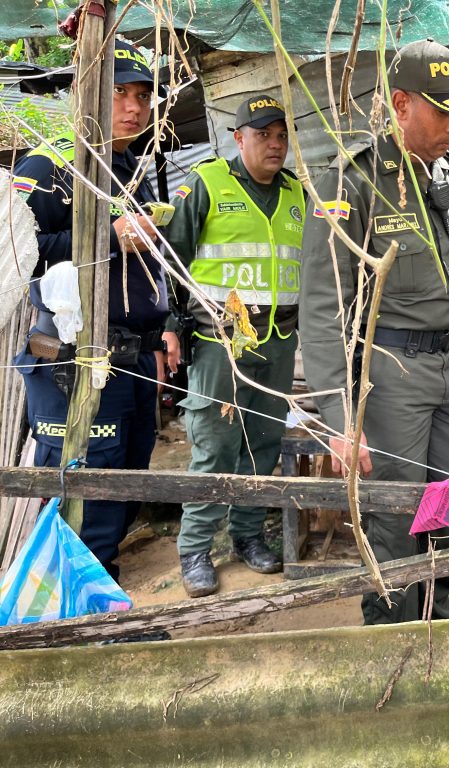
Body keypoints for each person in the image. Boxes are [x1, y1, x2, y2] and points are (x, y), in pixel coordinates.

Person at [299, 39, 449, 625]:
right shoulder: (353, 183)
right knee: (392, 514)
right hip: (392, 380)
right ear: (400, 103)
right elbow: (323, 307)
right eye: (444, 111)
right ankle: (391, 633)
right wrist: (341, 419)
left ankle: (435, 614)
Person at [12, 39, 171, 581]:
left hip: (133, 363)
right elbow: (16, 255)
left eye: (143, 96)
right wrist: (107, 234)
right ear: (85, 93)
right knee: (84, 505)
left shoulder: (130, 167)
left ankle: (99, 612)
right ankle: (82, 635)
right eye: (119, 93)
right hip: (76, 364)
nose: (134, 107)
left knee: (125, 492)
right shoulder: (53, 164)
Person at [164, 94, 304, 597]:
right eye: (263, 134)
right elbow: (172, 261)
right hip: (219, 339)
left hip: (279, 338)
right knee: (214, 444)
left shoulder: (296, 195)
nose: (275, 144)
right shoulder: (206, 184)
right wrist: (170, 324)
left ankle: (247, 534)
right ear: (238, 138)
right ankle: (195, 548)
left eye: (281, 135)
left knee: (261, 443)